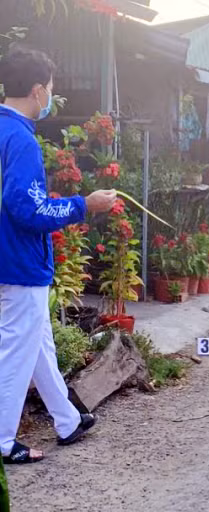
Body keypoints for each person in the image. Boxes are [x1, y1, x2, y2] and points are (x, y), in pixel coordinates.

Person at [0, 48, 117, 464]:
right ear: (36, 91)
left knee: (38, 345)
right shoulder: (21, 139)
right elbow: (28, 210)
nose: (49, 96)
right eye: (49, 89)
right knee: (17, 349)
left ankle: (67, 419)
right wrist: (85, 204)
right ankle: (3, 441)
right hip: (19, 263)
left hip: (7, 262)